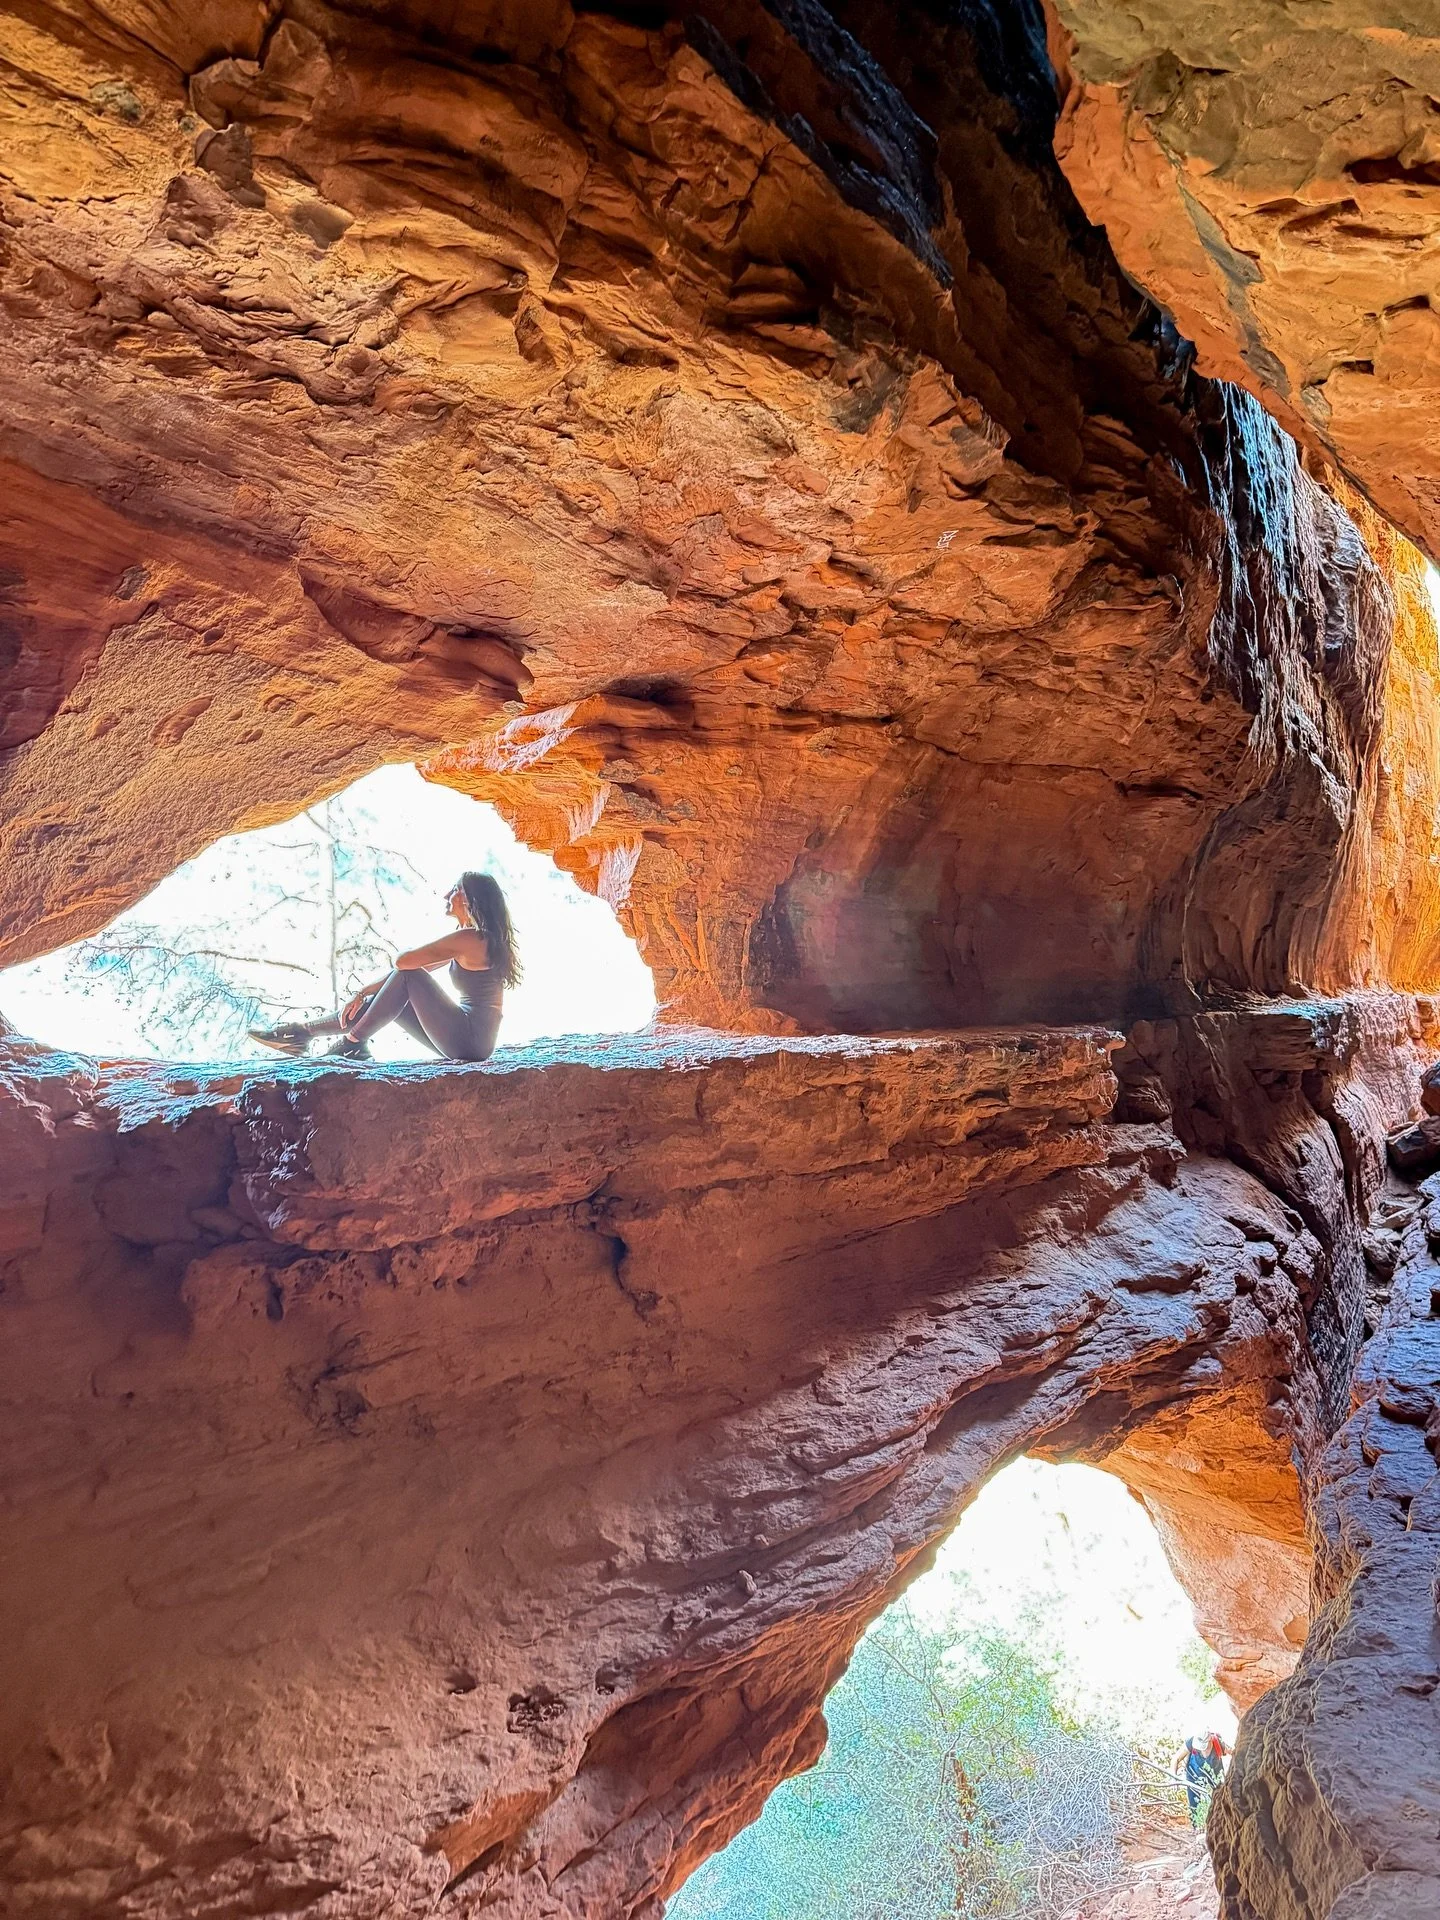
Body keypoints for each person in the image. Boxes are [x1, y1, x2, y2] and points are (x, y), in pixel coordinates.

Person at [249, 872, 520, 1064]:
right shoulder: (473, 939)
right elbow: (406, 975)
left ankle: (351, 1045)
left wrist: (367, 992)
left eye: (456, 889)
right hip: (471, 1040)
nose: (448, 894)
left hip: (469, 1038)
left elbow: (405, 965)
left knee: (409, 978)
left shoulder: (472, 938)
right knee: (395, 999)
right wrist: (363, 992)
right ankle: (302, 1033)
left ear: (471, 899)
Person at [1174, 1731, 1228, 1828]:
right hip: (1193, 1776)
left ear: (1210, 1741)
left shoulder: (1218, 1743)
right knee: (1194, 1805)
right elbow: (1176, 1759)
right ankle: (1196, 1828)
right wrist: (1174, 1779)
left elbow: (1234, 1753)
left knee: (1218, 1804)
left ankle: (1217, 1827)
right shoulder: (1191, 1743)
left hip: (1214, 1779)